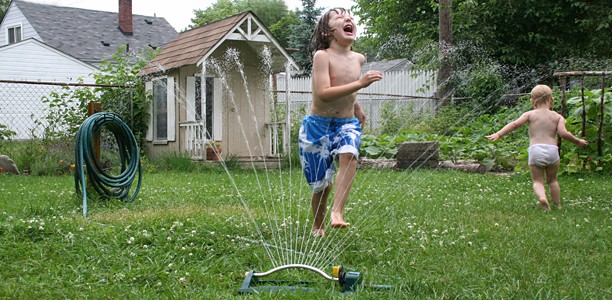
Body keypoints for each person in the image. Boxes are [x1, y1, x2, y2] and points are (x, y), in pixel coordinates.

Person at [298, 8, 383, 237]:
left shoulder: (358, 58)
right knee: (321, 185)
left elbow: (347, 85)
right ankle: (318, 225)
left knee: (350, 155)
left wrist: (358, 108)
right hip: (317, 125)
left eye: (350, 17)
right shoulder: (322, 56)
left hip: (346, 122)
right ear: (327, 32)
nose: (348, 19)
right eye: (339, 17)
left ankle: (337, 212)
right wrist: (361, 84)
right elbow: (324, 93)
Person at [485, 84, 588, 211]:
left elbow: (514, 124)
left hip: (536, 150)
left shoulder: (530, 114)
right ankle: (557, 205)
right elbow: (563, 134)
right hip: (552, 151)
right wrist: (578, 141)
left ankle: (542, 198)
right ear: (551, 100)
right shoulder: (557, 116)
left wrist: (499, 133)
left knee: (538, 181)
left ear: (532, 101)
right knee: (553, 180)